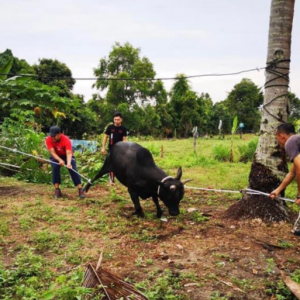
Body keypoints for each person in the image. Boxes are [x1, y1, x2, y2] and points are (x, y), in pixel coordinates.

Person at [45, 126, 85, 199]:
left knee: (73, 169)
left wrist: (69, 163)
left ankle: (80, 189)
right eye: (51, 136)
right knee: (55, 168)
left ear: (59, 134)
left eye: (54, 136)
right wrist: (60, 160)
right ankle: (57, 190)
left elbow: (69, 153)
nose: (52, 138)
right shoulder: (49, 139)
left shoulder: (66, 139)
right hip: (56, 156)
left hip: (67, 156)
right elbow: (52, 153)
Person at [270, 123, 300, 205]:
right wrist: (278, 190)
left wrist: (299, 195)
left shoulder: (290, 142)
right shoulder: (297, 141)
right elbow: (292, 173)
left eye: (277, 138)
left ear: (281, 136)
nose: (277, 141)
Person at [101, 112, 127, 183]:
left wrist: (125, 149)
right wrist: (103, 147)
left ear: (121, 120)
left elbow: (124, 139)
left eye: (118, 120)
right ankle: (111, 180)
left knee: (120, 164)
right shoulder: (110, 127)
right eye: (115, 119)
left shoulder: (123, 129)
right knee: (111, 163)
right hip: (111, 148)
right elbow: (105, 137)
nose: (116, 121)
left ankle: (122, 178)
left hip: (120, 149)